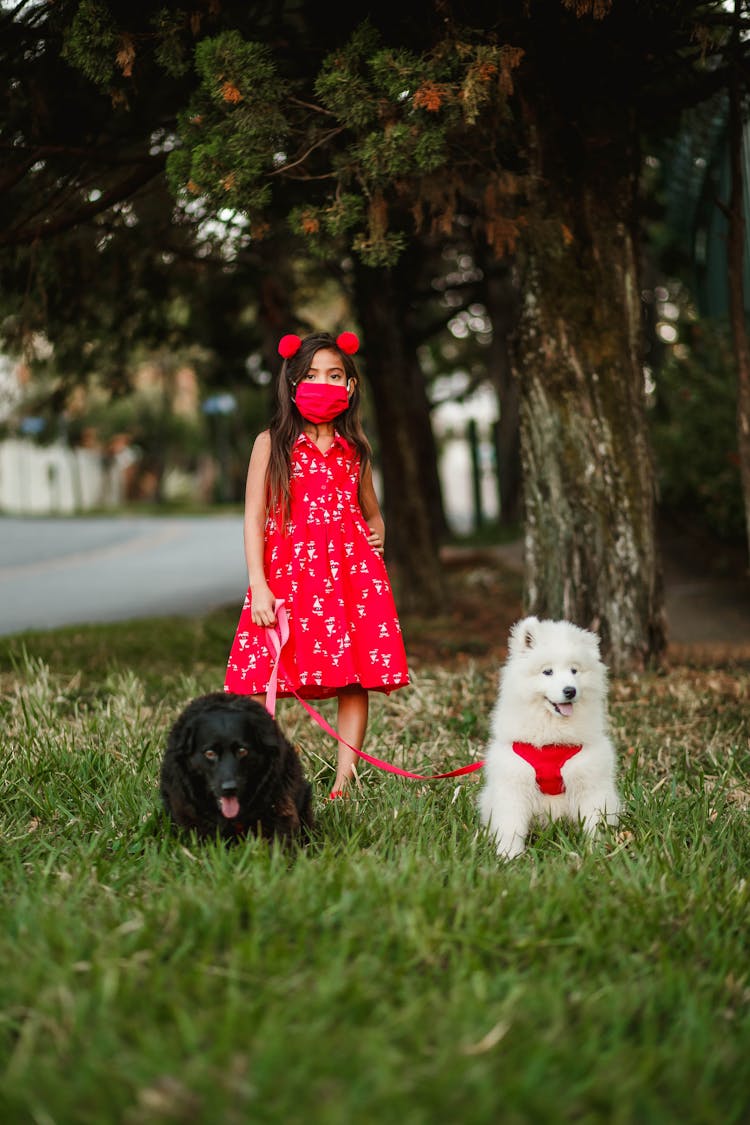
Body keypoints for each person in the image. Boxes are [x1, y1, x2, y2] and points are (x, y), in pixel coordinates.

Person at [224, 330, 410, 798]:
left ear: (349, 386)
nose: (322, 384)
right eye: (310, 375)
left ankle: (345, 780)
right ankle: (257, 769)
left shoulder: (356, 449)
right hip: (289, 577)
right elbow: (253, 516)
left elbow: (371, 510)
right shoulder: (272, 444)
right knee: (262, 673)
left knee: (353, 675)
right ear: (291, 383)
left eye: (333, 375)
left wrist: (377, 539)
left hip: (349, 578)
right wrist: (258, 583)